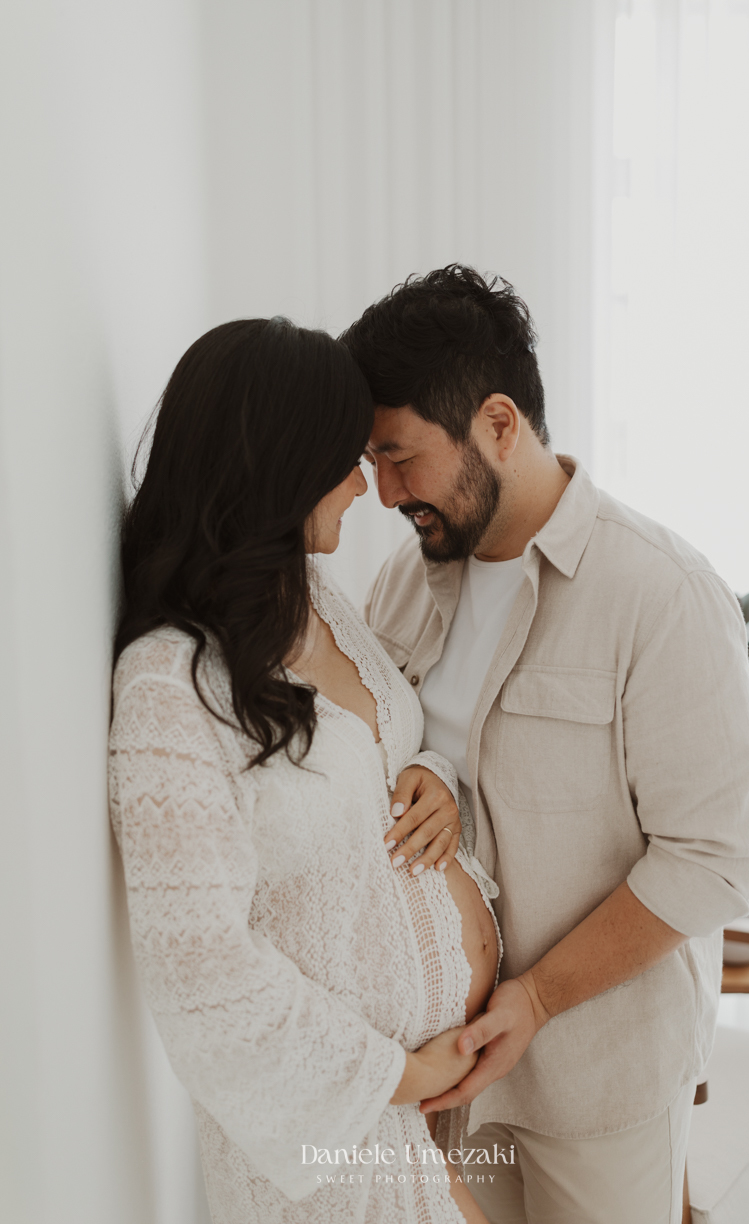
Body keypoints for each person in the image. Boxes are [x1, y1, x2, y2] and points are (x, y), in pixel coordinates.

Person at [341, 265, 749, 1224]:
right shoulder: (403, 586)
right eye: (370, 462)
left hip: (596, 1083)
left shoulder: (659, 595)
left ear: (499, 424)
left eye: (401, 458)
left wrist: (535, 1001)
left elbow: (715, 858)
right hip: (443, 1074)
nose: (383, 494)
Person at [108, 316, 502, 1224]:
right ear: (280, 467)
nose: (367, 484)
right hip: (332, 1144)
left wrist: (435, 772)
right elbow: (200, 970)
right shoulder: (172, 685)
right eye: (346, 457)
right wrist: (395, 1077)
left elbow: (373, 757)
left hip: (433, 1101)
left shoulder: (316, 599)